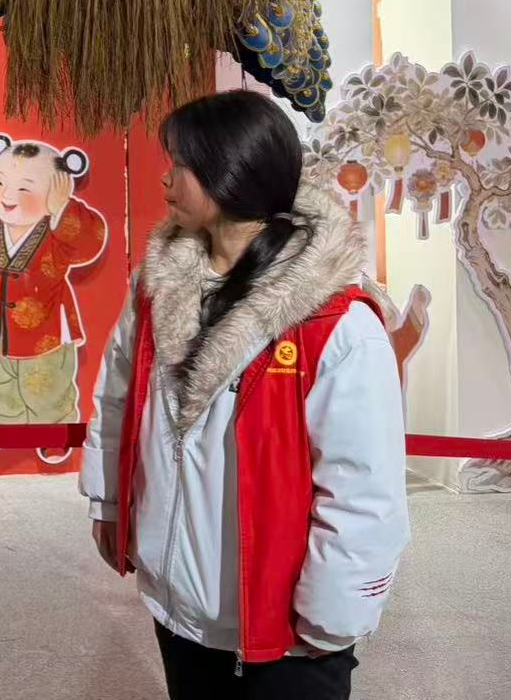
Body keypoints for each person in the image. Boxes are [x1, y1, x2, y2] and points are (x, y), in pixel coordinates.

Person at [80, 90, 409, 699]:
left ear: (227, 176)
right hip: (179, 606)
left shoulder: (335, 323)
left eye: (180, 164)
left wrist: (332, 616)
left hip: (287, 631)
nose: (165, 178)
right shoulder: (155, 287)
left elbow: (363, 482)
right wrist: (109, 502)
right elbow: (117, 397)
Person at [0, 134, 107, 461]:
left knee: (47, 386)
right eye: (0, 183)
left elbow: (89, 242)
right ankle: (5, 424)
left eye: (25, 189)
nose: (8, 197)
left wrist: (63, 209)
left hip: (45, 332)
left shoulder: (58, 231)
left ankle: (54, 432)